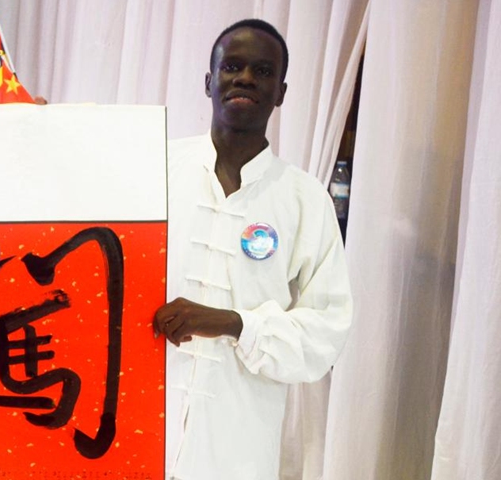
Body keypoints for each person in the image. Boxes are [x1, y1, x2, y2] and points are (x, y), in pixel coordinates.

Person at [152, 19, 352, 480]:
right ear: (209, 82)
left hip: (238, 448)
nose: (245, 78)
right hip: (138, 428)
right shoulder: (156, 167)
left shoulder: (304, 199)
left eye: (262, 71)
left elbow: (326, 333)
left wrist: (235, 323)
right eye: (232, 66)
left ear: (280, 92)